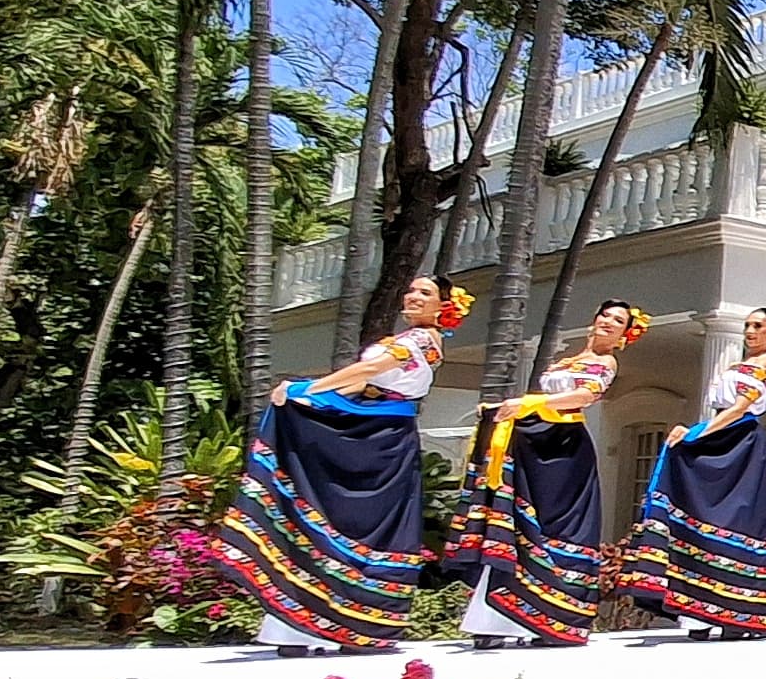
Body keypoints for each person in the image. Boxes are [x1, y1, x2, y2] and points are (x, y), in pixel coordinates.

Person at [216, 274, 457, 654]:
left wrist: (305, 389)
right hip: (367, 427)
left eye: (424, 293)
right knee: (334, 514)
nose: (412, 296)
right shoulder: (403, 340)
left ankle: (353, 622)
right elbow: (358, 386)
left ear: (442, 306)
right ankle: (306, 621)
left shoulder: (421, 341)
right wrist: (307, 400)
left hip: (381, 439)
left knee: (359, 524)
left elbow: (365, 373)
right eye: (410, 289)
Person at [454, 298, 640, 647]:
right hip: (535, 439)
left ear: (623, 335)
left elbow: (584, 397)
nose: (610, 322)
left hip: (564, 448)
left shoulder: (606, 363)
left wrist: (528, 403)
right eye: (606, 315)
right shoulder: (570, 359)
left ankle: (550, 616)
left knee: (553, 524)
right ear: (595, 319)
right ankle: (497, 619)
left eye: (619, 321)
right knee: (519, 520)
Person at [622, 306, 766, 639]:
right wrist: (696, 432)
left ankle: (735, 610)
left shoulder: (765, 365)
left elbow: (741, 407)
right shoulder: (739, 365)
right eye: (747, 326)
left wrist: (698, 434)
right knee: (699, 511)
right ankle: (699, 607)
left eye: (758, 326)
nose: (750, 332)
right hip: (721, 434)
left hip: (738, 441)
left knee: (732, 518)